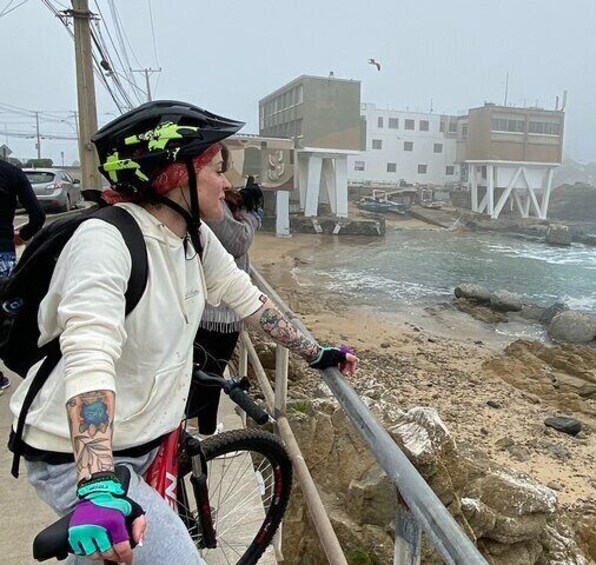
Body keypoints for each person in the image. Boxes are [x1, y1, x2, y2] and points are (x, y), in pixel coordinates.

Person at [7, 100, 357, 565]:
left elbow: (250, 301)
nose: (228, 182)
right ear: (174, 173)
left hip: (144, 438)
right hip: (78, 457)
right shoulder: (105, 241)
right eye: (217, 167)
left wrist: (317, 353)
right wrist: (96, 485)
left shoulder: (191, 234)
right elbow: (89, 357)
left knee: (116, 554)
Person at [187, 176, 263, 436]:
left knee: (204, 371)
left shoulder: (202, 206)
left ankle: (198, 424)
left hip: (213, 308)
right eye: (219, 170)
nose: (227, 181)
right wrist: (253, 214)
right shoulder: (209, 211)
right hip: (216, 313)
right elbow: (238, 242)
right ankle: (205, 430)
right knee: (212, 372)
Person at [0, 157, 46, 393]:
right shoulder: (11, 173)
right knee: (5, 316)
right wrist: (23, 236)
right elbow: (37, 216)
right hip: (2, 252)